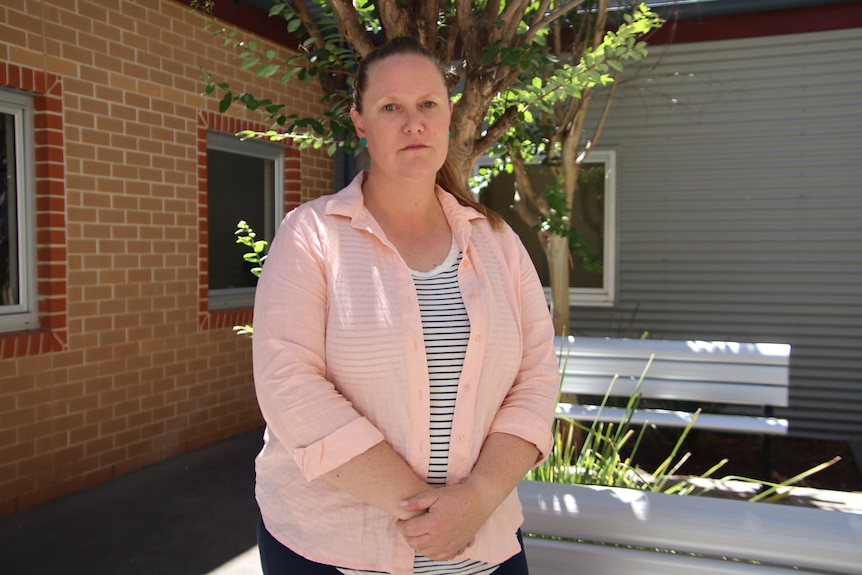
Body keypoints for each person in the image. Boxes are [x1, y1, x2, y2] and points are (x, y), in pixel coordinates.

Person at [252, 36, 560, 575]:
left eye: (428, 105)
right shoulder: (311, 236)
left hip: (483, 548)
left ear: (448, 114)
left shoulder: (497, 240)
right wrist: (428, 511)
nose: (412, 122)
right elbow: (289, 385)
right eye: (391, 107)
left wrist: (478, 499)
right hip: (333, 551)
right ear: (361, 122)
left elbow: (536, 375)